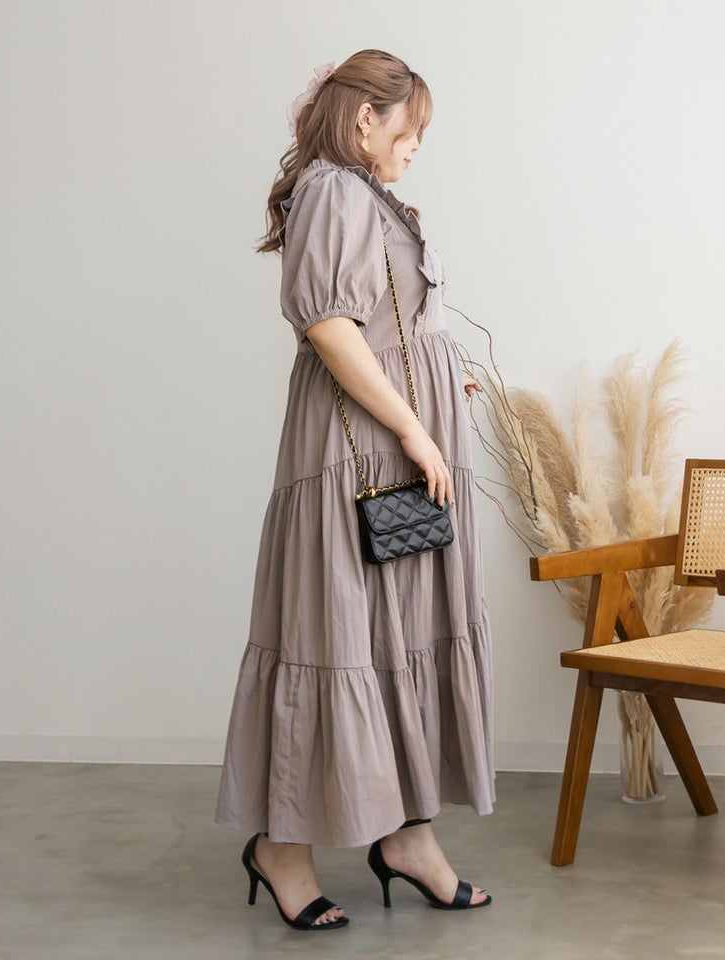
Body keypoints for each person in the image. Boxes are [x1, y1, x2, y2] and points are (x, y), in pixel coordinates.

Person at [215, 48, 495, 931]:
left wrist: (441, 378)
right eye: (409, 130)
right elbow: (332, 328)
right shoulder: (335, 191)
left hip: (397, 442)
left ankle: (409, 837)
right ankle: (282, 849)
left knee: (394, 633)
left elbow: (388, 321)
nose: (415, 147)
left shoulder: (367, 195)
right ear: (366, 117)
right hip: (364, 451)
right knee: (333, 633)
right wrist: (412, 426)